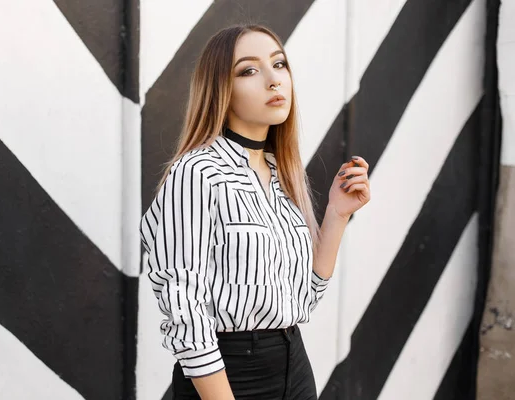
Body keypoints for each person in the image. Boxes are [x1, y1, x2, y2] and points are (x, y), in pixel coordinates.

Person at [139, 24, 370, 400]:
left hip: (294, 367)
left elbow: (303, 298)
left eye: (279, 65)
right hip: (227, 377)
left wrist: (337, 215)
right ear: (221, 90)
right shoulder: (197, 172)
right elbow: (184, 308)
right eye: (249, 70)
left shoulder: (282, 175)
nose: (273, 80)